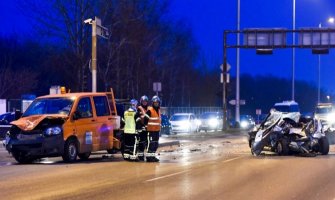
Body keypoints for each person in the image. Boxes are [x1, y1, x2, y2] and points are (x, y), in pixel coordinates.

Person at [144, 95, 161, 162]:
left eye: (157, 103)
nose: (156, 104)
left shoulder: (159, 110)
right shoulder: (150, 110)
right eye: (155, 103)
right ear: (152, 103)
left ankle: (152, 156)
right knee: (151, 144)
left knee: (155, 144)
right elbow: (145, 119)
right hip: (151, 131)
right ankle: (149, 157)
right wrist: (146, 127)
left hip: (157, 130)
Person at [136, 95, 149, 161]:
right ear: (141, 102)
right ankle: (140, 156)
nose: (144, 103)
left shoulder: (149, 108)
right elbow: (137, 118)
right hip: (142, 129)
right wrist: (140, 127)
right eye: (143, 102)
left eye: (145, 102)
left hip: (148, 128)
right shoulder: (139, 108)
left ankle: (148, 156)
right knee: (141, 142)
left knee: (147, 142)